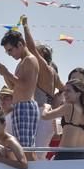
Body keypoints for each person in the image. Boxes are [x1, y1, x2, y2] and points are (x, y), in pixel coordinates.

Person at [21, 15, 63, 158]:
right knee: (38, 155)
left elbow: (31, 48)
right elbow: (64, 89)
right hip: (43, 114)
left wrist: (25, 26)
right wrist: (56, 99)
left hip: (41, 115)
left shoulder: (46, 69)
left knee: (37, 155)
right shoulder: (52, 74)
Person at [0, 29, 39, 156]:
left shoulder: (30, 60)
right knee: (22, 147)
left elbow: (26, 85)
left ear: (20, 44)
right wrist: (4, 74)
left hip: (26, 106)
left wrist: (7, 72)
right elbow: (13, 87)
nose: (9, 54)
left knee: (25, 148)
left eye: (10, 50)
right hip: (20, 106)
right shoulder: (22, 62)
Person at [41, 79, 84, 160]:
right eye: (64, 91)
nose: (65, 94)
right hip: (82, 156)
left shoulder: (69, 107)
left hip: (65, 155)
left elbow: (45, 116)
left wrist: (46, 106)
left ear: (78, 93)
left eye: (68, 91)